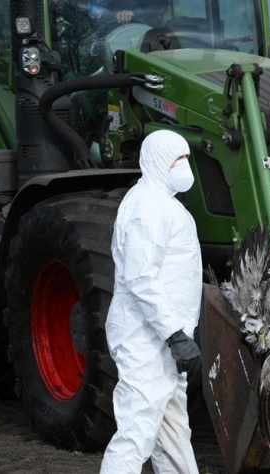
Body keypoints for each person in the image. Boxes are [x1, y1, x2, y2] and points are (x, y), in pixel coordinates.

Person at [100, 129, 202, 474]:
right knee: (135, 434)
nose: (184, 166)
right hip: (146, 340)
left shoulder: (163, 203)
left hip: (163, 343)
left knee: (173, 435)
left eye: (187, 158)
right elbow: (141, 277)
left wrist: (178, 336)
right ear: (158, 162)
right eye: (178, 159)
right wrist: (174, 334)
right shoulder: (148, 207)